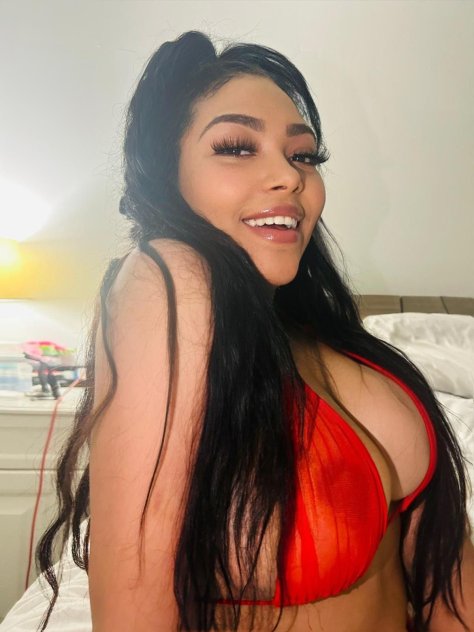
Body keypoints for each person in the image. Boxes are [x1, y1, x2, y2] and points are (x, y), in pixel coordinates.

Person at [36, 31, 473, 632]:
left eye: (304, 155)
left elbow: (444, 578)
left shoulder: (324, 335)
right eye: (238, 147)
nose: (288, 176)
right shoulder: (163, 276)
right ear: (168, 174)